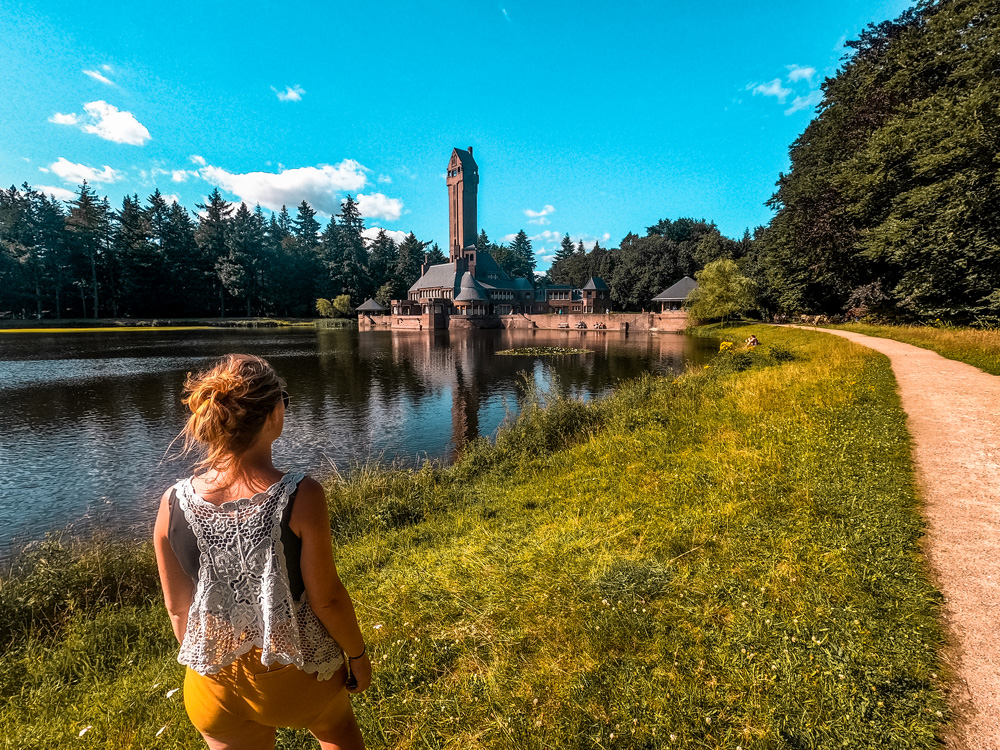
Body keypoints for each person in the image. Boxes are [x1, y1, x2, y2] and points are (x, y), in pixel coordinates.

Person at [153, 354, 370, 750]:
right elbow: (328, 599)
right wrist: (357, 656)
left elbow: (178, 609)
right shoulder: (301, 494)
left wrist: (212, 663)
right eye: (284, 399)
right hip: (293, 678)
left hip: (211, 687)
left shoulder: (171, 502)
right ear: (274, 414)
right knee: (337, 732)